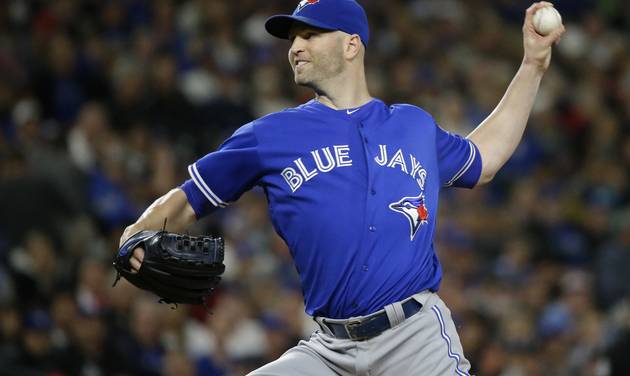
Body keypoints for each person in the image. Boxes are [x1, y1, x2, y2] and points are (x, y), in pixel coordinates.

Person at [119, 0, 565, 374]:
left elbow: (483, 159)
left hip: (414, 339)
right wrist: (134, 233)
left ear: (352, 45)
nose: (296, 47)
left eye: (310, 35)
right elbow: (186, 199)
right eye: (292, 39)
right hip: (328, 348)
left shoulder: (411, 124)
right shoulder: (267, 136)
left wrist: (533, 64)